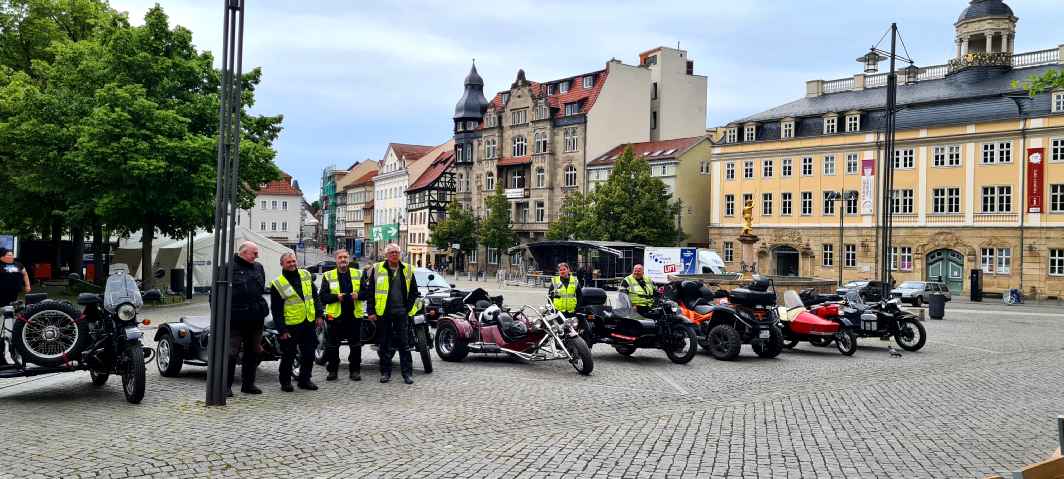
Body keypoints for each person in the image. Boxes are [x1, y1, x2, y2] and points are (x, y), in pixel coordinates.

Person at [364, 243, 420, 385]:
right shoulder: (377, 268)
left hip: (401, 313)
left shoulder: (407, 269)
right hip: (383, 312)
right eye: (391, 252)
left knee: (404, 344)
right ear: (386, 255)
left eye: (396, 252)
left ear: (400, 254)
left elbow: (414, 291)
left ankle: (407, 374)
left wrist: (407, 308)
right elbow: (370, 292)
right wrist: (370, 311)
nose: (394, 254)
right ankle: (385, 373)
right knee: (384, 344)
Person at [269, 252, 323, 392]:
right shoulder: (278, 283)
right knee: (289, 355)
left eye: (293, 261)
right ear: (282, 264)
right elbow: (276, 310)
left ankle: (305, 380)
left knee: (309, 354)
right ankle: (285, 382)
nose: (292, 264)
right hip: (291, 325)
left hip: (308, 322)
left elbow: (315, 296)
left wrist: (319, 315)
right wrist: (282, 330)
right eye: (289, 262)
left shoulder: (305, 275)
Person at [227, 241, 268, 396]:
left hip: (255, 318)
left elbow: (260, 289)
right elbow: (216, 293)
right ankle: (225, 386)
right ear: (243, 252)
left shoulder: (258, 267)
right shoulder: (227, 268)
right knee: (231, 353)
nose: (257, 256)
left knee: (253, 352)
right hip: (235, 318)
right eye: (254, 253)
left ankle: (248, 384)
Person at [319, 249, 365, 381]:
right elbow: (322, 297)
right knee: (332, 346)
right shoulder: (328, 275)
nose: (343, 260)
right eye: (340, 257)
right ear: (336, 260)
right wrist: (336, 297)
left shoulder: (358, 274)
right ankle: (332, 371)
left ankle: (355, 371)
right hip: (335, 317)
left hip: (354, 316)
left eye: (345, 257)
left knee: (355, 346)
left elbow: (367, 293)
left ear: (348, 259)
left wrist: (358, 295)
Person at [0, 248, 31, 366]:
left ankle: (9, 330)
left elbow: (24, 273)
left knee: (10, 312)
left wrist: (27, 285)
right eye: (9, 255)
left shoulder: (18, 264)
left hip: (13, 294)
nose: (11, 256)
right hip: (1, 293)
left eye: (12, 254)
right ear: (2, 257)